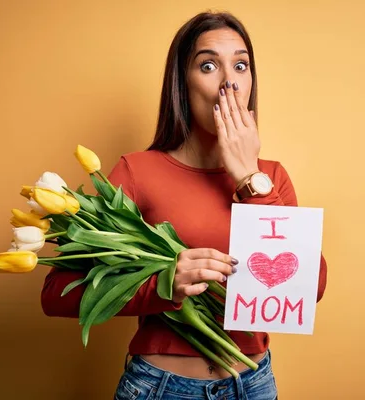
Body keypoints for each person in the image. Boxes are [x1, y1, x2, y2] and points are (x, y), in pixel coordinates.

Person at [40, 11, 328, 400]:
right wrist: (163, 284)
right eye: (208, 65)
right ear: (182, 83)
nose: (229, 81)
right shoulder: (138, 172)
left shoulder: (271, 178)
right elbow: (56, 292)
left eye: (240, 65)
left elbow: (310, 286)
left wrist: (248, 177)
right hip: (163, 388)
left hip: (255, 385)